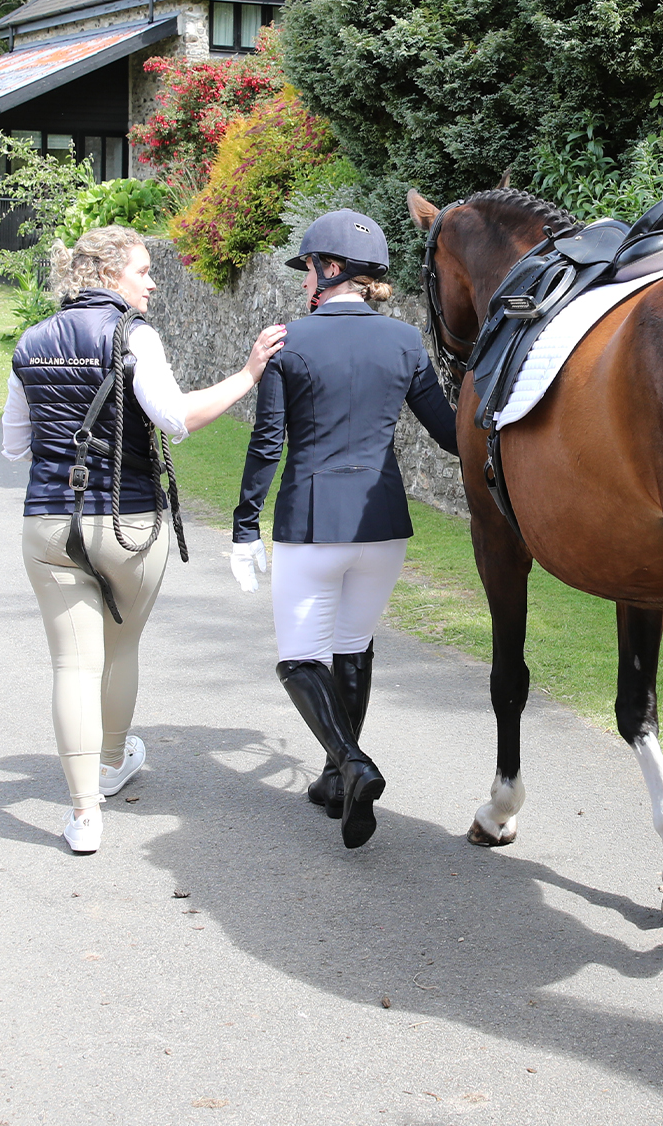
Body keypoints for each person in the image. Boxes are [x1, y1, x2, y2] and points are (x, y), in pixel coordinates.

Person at [4, 225, 284, 854]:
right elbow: (175, 417)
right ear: (108, 275)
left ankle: (83, 816)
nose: (152, 282)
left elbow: (15, 444)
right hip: (128, 524)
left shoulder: (31, 339)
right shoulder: (133, 334)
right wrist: (247, 374)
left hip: (49, 522)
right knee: (120, 647)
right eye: (143, 271)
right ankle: (110, 765)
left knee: (73, 664)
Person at [232, 209, 460, 849]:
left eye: (309, 265)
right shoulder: (408, 342)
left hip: (310, 522)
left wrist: (245, 523)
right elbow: (450, 434)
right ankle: (336, 780)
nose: (306, 276)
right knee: (353, 647)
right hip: (382, 523)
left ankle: (352, 763)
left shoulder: (286, 341)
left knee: (299, 658)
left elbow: (269, 441)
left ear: (330, 269)